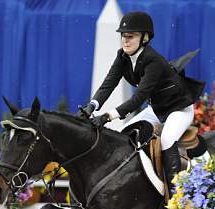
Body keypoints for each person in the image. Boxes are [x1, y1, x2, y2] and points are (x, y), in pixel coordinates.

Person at [79, 11, 204, 194]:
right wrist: (92, 106)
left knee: (167, 140)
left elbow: (138, 97)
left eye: (130, 36)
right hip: (157, 109)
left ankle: (176, 196)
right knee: (123, 136)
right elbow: (108, 84)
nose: (125, 41)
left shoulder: (153, 61)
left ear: (144, 38)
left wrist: (107, 116)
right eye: (123, 36)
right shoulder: (122, 57)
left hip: (179, 109)